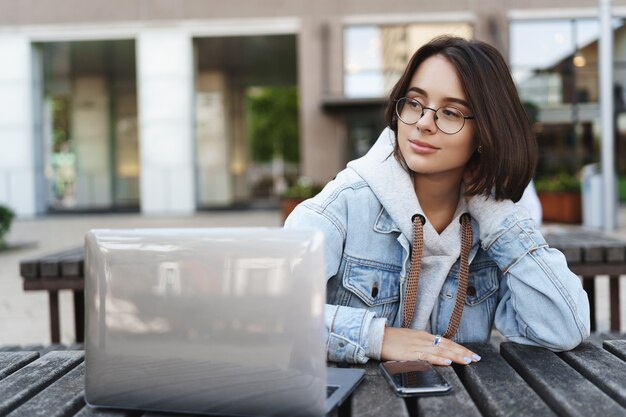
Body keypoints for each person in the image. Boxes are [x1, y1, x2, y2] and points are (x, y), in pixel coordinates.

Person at [284, 36, 590, 366]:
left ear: (486, 131)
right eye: (414, 103)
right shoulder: (345, 204)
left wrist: (492, 211)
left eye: (450, 112)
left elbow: (565, 328)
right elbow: (268, 314)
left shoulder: (493, 225)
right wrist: (378, 337)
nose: (424, 123)